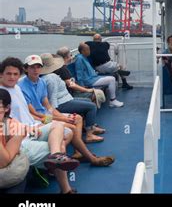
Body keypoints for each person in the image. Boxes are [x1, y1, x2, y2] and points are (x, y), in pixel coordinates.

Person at [18, 55, 114, 167]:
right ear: (25, 69)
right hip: (38, 119)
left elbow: (48, 107)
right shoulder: (22, 86)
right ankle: (91, 158)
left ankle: (78, 153)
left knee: (77, 118)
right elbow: (34, 113)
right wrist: (62, 118)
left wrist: (62, 116)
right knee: (71, 126)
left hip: (45, 115)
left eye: (38, 67)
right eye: (32, 67)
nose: (35, 70)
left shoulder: (41, 82)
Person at [0, 58, 79, 193]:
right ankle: (65, 187)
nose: (12, 77)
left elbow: (42, 109)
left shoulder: (20, 87)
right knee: (63, 138)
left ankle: (56, 158)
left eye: (15, 74)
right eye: (8, 74)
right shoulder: (4, 95)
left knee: (61, 125)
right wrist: (30, 127)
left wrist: (56, 118)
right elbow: (8, 123)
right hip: (20, 135)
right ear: (1, 74)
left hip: (32, 126)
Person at [40, 53, 107, 143]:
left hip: (66, 99)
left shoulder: (51, 76)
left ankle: (90, 127)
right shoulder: (52, 77)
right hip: (61, 103)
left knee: (87, 101)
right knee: (91, 106)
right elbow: (53, 99)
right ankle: (89, 134)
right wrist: (56, 115)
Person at [75, 43, 124, 107]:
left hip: (93, 78)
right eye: (88, 49)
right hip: (89, 81)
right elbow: (79, 74)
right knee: (112, 79)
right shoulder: (79, 59)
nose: (90, 51)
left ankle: (112, 99)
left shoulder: (84, 57)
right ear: (83, 51)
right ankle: (112, 101)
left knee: (111, 78)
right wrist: (82, 86)